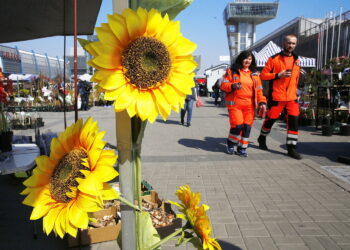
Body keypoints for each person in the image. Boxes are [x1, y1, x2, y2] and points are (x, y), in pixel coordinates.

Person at [257, 34, 302, 159]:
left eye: (293, 43)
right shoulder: (274, 58)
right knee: (270, 120)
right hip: (277, 97)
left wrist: (297, 91)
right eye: (289, 43)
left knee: (294, 123)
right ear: (284, 43)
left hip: (292, 98)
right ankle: (262, 137)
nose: (291, 45)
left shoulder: (297, 60)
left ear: (295, 44)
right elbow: (263, 75)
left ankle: (291, 148)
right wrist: (277, 75)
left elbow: (296, 78)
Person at [221, 50, 266, 157]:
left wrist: (262, 102)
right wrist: (232, 86)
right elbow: (223, 85)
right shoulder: (232, 71)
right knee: (237, 126)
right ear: (241, 59)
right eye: (246, 58)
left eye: (250, 59)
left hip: (250, 106)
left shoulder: (255, 74)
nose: (247, 61)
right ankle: (231, 144)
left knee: (247, 128)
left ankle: (242, 148)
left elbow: (259, 90)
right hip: (235, 104)